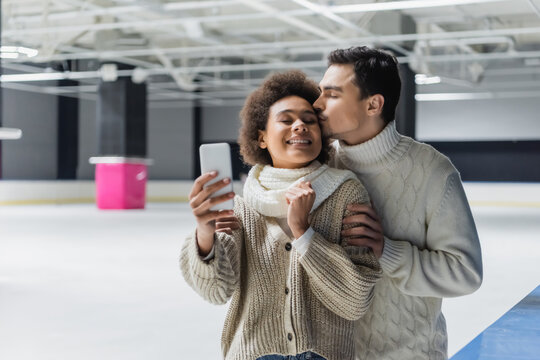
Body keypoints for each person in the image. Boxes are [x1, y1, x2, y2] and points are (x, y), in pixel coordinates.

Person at [180, 70, 382, 360]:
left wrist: (304, 233)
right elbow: (215, 291)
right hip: (253, 353)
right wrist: (204, 234)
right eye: (286, 120)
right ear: (261, 137)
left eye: (309, 120)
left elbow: (354, 301)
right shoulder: (239, 207)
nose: (300, 126)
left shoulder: (346, 194)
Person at [313, 46, 483, 360]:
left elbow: (466, 273)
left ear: (373, 104)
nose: (317, 104)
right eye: (320, 93)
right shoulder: (318, 168)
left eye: (332, 95)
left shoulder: (433, 172)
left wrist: (385, 250)